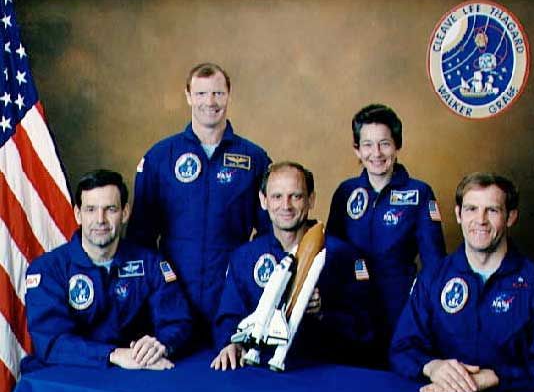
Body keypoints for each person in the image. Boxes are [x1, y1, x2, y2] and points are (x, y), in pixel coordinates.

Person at [389, 173, 534, 392]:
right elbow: (402, 348)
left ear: (511, 217)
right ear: (458, 214)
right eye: (471, 209)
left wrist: (494, 377)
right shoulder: (432, 278)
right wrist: (433, 367)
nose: (480, 220)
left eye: (493, 210)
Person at [127, 62, 271, 346]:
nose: (210, 102)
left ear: (229, 95)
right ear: (188, 96)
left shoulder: (254, 159)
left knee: (230, 377)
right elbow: (140, 240)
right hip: (171, 295)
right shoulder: (160, 157)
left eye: (218, 93)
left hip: (232, 295)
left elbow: (270, 237)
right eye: (202, 93)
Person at [24, 170, 194, 370]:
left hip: (137, 373)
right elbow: (51, 341)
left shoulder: (150, 263)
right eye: (90, 209)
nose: (100, 219)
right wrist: (113, 354)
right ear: (78, 214)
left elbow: (178, 321)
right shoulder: (48, 270)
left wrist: (160, 345)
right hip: (71, 377)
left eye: (110, 209)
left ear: (125, 212)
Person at [211, 162, 372, 371]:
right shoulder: (245, 256)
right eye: (277, 196)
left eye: (295, 196)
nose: (286, 206)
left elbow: (363, 329)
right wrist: (230, 343)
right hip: (258, 370)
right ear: (263, 200)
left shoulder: (342, 256)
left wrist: (323, 313)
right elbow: (228, 316)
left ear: (311, 200)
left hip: (320, 371)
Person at [326, 103, 446, 366]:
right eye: (367, 145)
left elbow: (435, 264)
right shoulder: (346, 192)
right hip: (351, 309)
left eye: (385, 144)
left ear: (397, 146)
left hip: (399, 307)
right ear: (356, 149)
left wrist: (422, 313)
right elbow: (331, 253)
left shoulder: (419, 194)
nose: (376, 153)